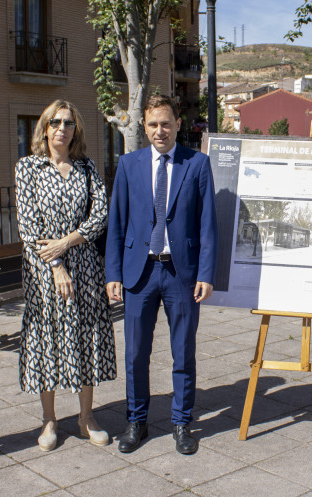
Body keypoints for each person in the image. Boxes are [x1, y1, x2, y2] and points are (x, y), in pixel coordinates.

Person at [105, 95, 218, 455]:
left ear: (177, 125)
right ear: (144, 126)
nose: (159, 131)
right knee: (136, 353)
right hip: (139, 273)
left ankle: (182, 423)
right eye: (153, 124)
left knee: (183, 352)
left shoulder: (197, 164)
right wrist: (113, 273)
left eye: (166, 123)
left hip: (180, 274)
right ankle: (136, 421)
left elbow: (207, 224)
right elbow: (117, 222)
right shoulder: (128, 164)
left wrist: (206, 272)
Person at [16, 100, 116, 451]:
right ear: (44, 127)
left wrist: (66, 243)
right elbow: (29, 228)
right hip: (44, 271)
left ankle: (86, 416)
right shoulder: (27, 168)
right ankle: (49, 420)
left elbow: (100, 214)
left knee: (86, 337)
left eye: (69, 123)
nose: (62, 128)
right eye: (55, 122)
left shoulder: (87, 167)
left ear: (77, 130)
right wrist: (56, 264)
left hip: (86, 266)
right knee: (48, 340)